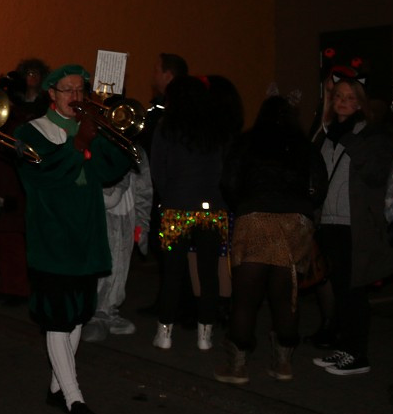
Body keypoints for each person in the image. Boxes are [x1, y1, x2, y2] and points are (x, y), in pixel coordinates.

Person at [14, 64, 130, 414]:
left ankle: (57, 387)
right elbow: (42, 175)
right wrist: (80, 143)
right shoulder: (32, 131)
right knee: (58, 318)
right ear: (51, 94)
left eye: (81, 90)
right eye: (67, 90)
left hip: (88, 235)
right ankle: (74, 398)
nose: (76, 98)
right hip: (52, 238)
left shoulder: (89, 129)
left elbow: (111, 171)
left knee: (79, 313)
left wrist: (113, 135)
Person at [216, 96, 327, 383]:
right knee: (285, 295)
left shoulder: (246, 142)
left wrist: (245, 204)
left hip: (254, 219)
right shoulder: (304, 145)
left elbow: (228, 181)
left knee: (245, 297)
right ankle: (283, 363)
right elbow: (319, 185)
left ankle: (237, 366)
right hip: (294, 222)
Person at [311, 77, 393, 376]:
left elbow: (376, 174)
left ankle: (357, 354)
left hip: (355, 224)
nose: (343, 101)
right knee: (340, 289)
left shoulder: (372, 135)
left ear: (361, 102)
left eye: (350, 97)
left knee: (354, 290)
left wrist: (349, 139)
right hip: (330, 222)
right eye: (338, 96)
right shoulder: (326, 134)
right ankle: (345, 348)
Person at [150, 76, 231, 352]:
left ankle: (165, 333)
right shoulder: (216, 128)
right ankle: (205, 335)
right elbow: (223, 168)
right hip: (211, 207)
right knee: (208, 273)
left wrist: (168, 196)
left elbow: (158, 169)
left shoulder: (167, 127)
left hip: (176, 206)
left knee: (172, 272)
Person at [83, 146, 152, 342]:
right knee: (100, 263)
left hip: (125, 213)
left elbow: (144, 187)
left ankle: (108, 310)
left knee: (120, 265)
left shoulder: (134, 147)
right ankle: (94, 311)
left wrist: (141, 223)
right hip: (98, 211)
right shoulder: (90, 141)